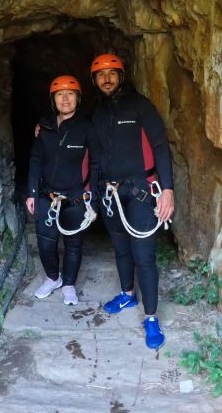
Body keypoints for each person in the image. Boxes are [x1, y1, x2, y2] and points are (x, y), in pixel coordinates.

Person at [90, 53, 175, 349]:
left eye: (112, 73)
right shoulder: (97, 115)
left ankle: (151, 317)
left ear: (122, 75)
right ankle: (128, 294)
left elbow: (161, 147)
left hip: (141, 190)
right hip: (111, 193)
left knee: (144, 255)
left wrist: (168, 189)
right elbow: (96, 156)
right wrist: (95, 193)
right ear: (95, 81)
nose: (107, 79)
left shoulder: (141, 106)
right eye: (101, 75)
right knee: (121, 248)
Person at [26, 75, 100, 306]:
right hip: (47, 195)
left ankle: (68, 284)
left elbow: (96, 163)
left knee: (73, 245)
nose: (65, 99)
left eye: (70, 94)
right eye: (60, 94)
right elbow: (36, 159)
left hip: (75, 197)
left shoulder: (87, 127)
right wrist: (31, 192)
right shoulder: (45, 125)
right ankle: (53, 278)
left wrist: (93, 197)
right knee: (45, 244)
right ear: (53, 99)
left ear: (78, 98)